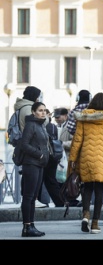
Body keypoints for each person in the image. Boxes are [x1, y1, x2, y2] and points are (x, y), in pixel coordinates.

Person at [68, 92, 103, 234]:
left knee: (87, 188)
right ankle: (95, 224)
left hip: (85, 156)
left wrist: (72, 159)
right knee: (99, 190)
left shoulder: (84, 117)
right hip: (102, 157)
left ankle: (85, 215)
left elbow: (77, 140)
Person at [18, 101, 51, 237]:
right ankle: (26, 227)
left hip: (39, 164)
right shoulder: (31, 125)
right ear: (33, 112)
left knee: (33, 198)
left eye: (44, 110)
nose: (43, 112)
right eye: (40, 110)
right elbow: (24, 145)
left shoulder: (41, 125)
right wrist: (40, 154)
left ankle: (31, 225)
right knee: (29, 196)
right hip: (31, 164)